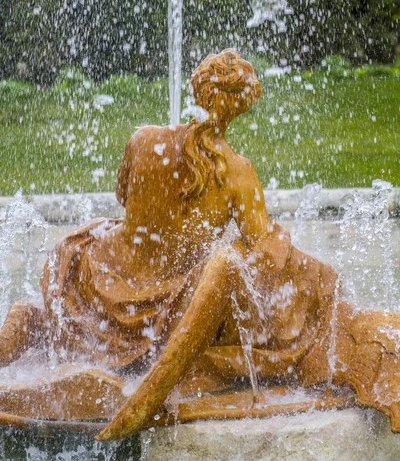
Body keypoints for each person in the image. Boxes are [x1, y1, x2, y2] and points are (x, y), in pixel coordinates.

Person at [1, 50, 400, 441]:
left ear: (197, 89)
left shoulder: (144, 140)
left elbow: (123, 197)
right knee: (278, 279)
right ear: (242, 106)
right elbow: (265, 252)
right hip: (163, 316)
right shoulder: (237, 172)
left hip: (94, 291)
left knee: (51, 295)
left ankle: (20, 336)